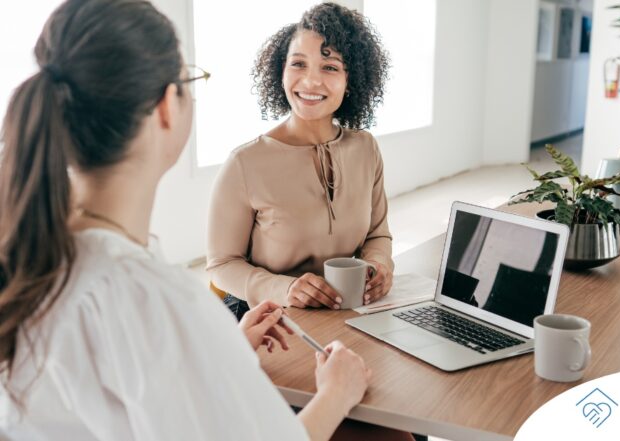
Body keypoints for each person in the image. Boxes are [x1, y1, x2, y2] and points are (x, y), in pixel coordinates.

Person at [0, 1, 375, 439]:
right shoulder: (155, 299)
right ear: (165, 106)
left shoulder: (28, 257)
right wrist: (336, 392)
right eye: (188, 81)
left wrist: (221, 349)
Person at [207, 3, 394, 318]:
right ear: (281, 71)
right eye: (298, 64)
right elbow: (221, 266)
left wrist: (380, 265)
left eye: (329, 67)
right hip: (264, 317)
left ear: (352, 80)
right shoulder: (245, 163)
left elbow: (377, 234)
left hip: (344, 311)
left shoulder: (366, 149)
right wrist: (285, 289)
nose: (310, 81)